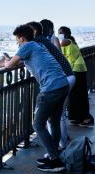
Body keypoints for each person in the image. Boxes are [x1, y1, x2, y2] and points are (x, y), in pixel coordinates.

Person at [0, 24, 69, 172]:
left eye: (17, 40)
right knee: (54, 122)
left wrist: (4, 62)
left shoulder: (27, 46)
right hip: (63, 84)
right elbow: (22, 62)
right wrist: (12, 62)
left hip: (51, 88)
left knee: (38, 125)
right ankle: (53, 156)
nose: (17, 43)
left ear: (22, 38)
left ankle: (55, 159)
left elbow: (9, 65)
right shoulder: (37, 46)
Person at [27, 21, 75, 149]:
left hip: (60, 79)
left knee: (55, 117)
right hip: (66, 76)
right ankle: (58, 145)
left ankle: (58, 147)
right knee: (57, 117)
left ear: (36, 31)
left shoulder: (37, 43)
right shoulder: (45, 40)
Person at [58, 26, 94, 127]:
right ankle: (78, 117)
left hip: (77, 69)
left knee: (78, 94)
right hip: (78, 68)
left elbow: (58, 50)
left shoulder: (66, 41)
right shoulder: (71, 41)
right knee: (76, 94)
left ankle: (85, 118)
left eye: (60, 32)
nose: (59, 34)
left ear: (65, 33)